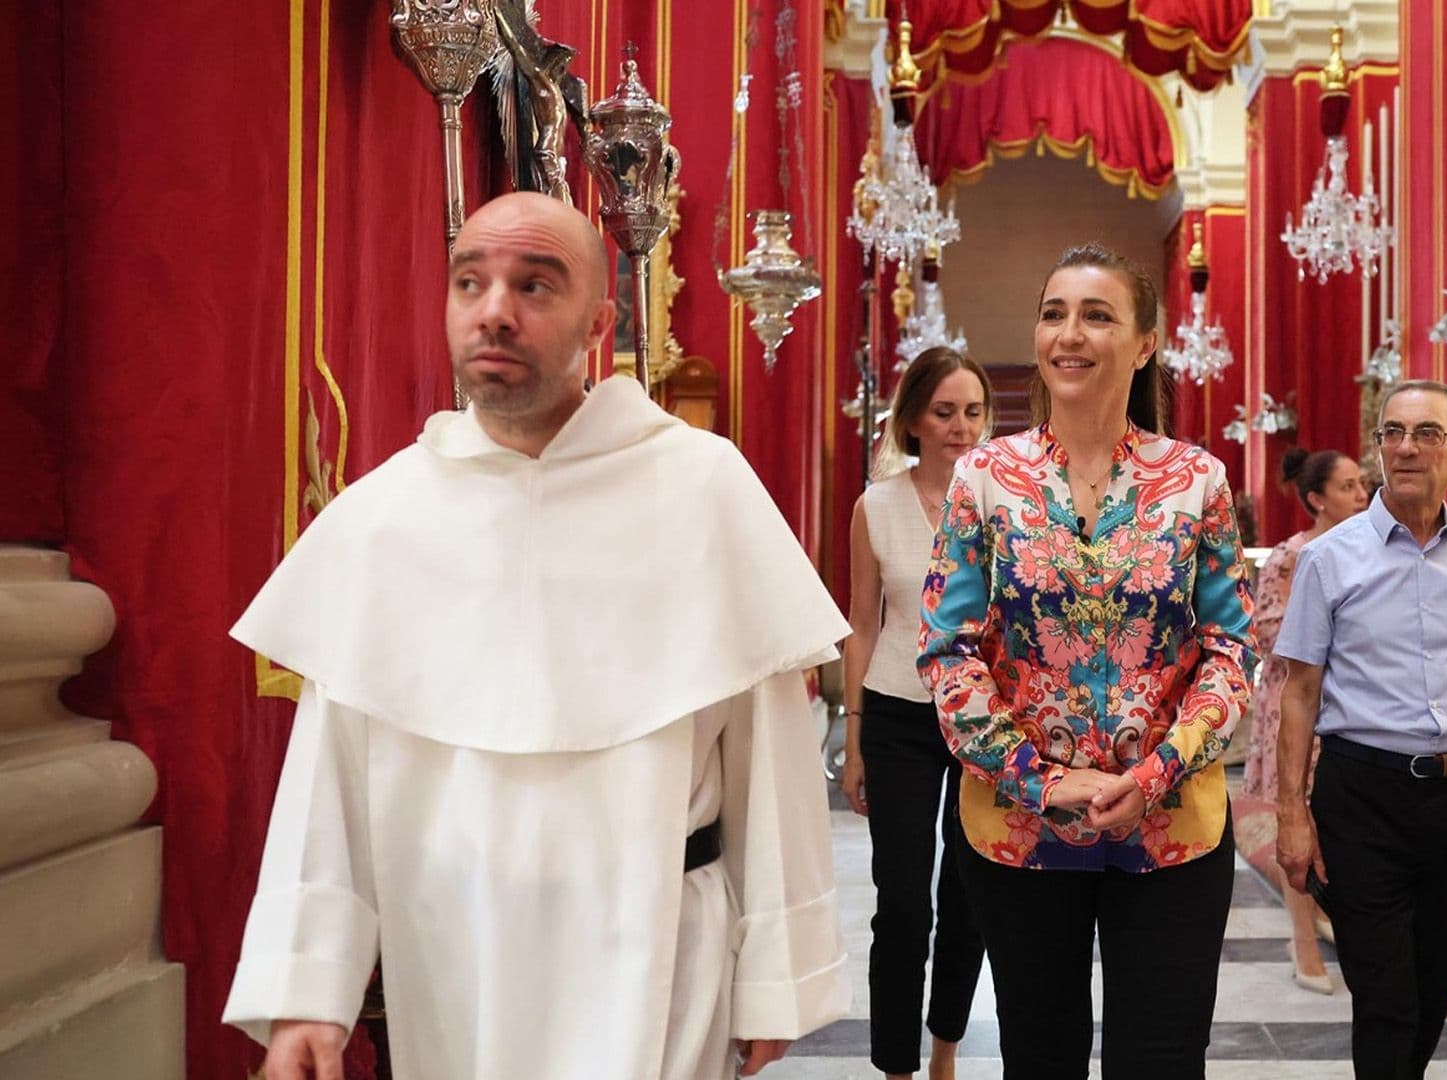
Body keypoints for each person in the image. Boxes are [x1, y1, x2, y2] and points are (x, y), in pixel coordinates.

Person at [223, 192, 852, 1080]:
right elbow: (329, 773)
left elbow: (772, 755)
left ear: (598, 322)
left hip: (660, 950)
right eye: (469, 282)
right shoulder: (386, 519)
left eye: (534, 285)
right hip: (452, 954)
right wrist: (306, 991)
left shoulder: (703, 489)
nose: (494, 311)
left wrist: (780, 976)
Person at [918, 243, 1256, 1080]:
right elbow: (947, 650)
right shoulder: (985, 478)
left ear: (1144, 344)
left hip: (1172, 821)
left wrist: (1157, 770)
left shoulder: (1196, 481)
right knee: (1041, 1056)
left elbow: (1229, 651)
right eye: (1054, 312)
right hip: (1020, 829)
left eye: (1097, 315)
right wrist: (1038, 777)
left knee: (1164, 1059)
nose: (1070, 334)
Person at [1273, 379, 1447, 1080]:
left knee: (1432, 992)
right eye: (1391, 432)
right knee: (1386, 1000)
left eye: (1427, 433)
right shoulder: (1328, 559)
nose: (1405, 447)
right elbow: (1298, 694)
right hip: (1361, 795)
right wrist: (1291, 814)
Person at [839, 345, 991, 1080]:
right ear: (913, 420)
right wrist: (856, 739)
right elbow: (862, 627)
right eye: (945, 412)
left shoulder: (1001, 502)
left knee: (970, 893)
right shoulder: (877, 507)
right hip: (898, 712)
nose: (961, 427)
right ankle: (895, 1065)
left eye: (972, 412)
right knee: (902, 902)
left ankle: (944, 1053)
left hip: (983, 719)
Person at [1242, 446, 1370, 994]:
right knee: (1297, 824)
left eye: (1362, 484)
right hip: (1296, 705)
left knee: (1341, 822)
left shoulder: (1371, 550)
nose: (1361, 494)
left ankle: (1329, 914)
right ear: (1317, 499)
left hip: (1353, 709)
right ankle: (1302, 944)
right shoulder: (1291, 556)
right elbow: (1267, 633)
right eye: (1347, 487)